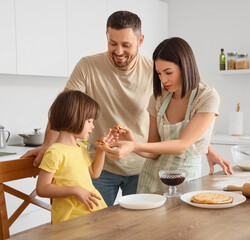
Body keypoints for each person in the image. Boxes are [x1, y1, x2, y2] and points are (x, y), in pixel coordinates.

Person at [23, 11, 233, 207]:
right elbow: (63, 106)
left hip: (143, 167)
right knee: (96, 225)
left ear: (140, 41)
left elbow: (187, 125)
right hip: (101, 166)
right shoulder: (89, 66)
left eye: (126, 44)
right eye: (112, 43)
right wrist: (48, 145)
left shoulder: (157, 73)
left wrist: (208, 149)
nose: (119, 51)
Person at [103, 37, 221, 193]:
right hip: (151, 177)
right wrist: (132, 143)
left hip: (184, 181)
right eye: (159, 73)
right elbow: (154, 152)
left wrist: (135, 145)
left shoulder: (207, 97)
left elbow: (182, 145)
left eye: (168, 72)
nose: (163, 80)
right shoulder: (158, 98)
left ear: (185, 66)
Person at [36, 90, 111, 224]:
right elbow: (42, 188)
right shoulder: (55, 152)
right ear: (73, 117)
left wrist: (101, 151)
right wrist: (75, 190)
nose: (92, 126)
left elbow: (94, 173)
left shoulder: (80, 147)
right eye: (89, 121)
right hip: (70, 219)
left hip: (91, 213)